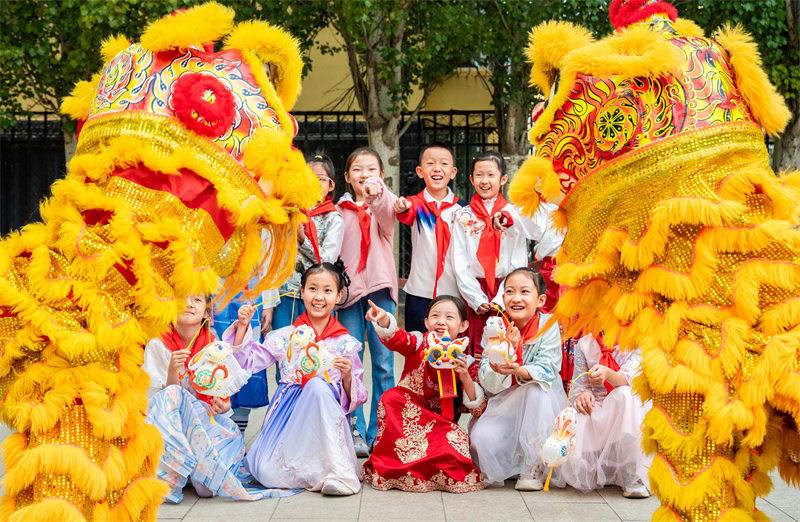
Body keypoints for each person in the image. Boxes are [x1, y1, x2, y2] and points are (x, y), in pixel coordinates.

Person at [225, 261, 368, 496]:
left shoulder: (345, 343)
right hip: (287, 417)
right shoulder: (286, 336)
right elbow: (246, 363)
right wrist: (242, 326)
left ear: (339, 295)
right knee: (265, 473)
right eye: (312, 289)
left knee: (316, 385)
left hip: (325, 418)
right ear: (301, 292)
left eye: (327, 290)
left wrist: (346, 377)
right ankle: (314, 474)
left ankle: (338, 474)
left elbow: (358, 395)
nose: (319, 297)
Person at [142, 294, 291, 502]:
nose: (188, 304)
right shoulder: (158, 344)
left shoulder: (214, 346)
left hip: (204, 424)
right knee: (173, 392)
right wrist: (172, 371)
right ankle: (175, 468)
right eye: (182, 298)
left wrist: (222, 405)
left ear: (207, 312)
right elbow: (161, 402)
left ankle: (192, 470)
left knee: (206, 489)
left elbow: (223, 398)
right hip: (170, 428)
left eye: (197, 300)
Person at [362, 296, 486, 493]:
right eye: (435, 316)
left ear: (463, 325)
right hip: (407, 415)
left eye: (449, 317)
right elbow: (396, 337)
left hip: (439, 422)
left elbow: (478, 407)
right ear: (427, 322)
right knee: (391, 398)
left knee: (455, 441)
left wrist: (464, 376)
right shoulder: (418, 342)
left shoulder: (466, 360)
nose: (441, 321)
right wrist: (384, 319)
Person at [451, 150, 563, 358]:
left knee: (506, 350)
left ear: (503, 179)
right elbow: (459, 261)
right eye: (479, 175)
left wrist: (503, 296)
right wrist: (476, 298)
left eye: (491, 175)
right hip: (474, 290)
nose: (485, 181)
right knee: (475, 351)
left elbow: (518, 261)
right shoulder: (462, 216)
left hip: (509, 292)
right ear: (471, 179)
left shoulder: (515, 214)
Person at [469, 268, 567, 491]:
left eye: (524, 291)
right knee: (480, 441)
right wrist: (505, 355)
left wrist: (518, 366)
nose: (516, 298)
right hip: (505, 403)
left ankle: (532, 465)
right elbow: (487, 381)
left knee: (535, 390)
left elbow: (548, 369)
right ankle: (514, 463)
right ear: (503, 298)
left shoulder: (548, 325)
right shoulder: (494, 328)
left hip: (542, 403)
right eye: (510, 292)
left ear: (540, 299)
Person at [335, 147, 399, 456]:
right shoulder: (336, 212)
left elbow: (387, 214)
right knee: (351, 363)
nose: (364, 175)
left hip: (379, 292)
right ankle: (356, 430)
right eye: (357, 169)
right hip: (348, 296)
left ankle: (382, 430)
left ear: (382, 175)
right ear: (347, 177)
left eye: (371, 169)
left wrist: (378, 193)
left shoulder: (385, 206)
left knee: (384, 365)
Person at [560, 334, 652, 497]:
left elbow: (629, 380)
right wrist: (584, 394)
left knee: (624, 394)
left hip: (632, 408)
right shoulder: (585, 343)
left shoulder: (640, 340)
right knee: (577, 412)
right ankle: (597, 467)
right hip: (600, 406)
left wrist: (607, 373)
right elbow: (579, 385)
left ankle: (632, 470)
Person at [394, 142, 468, 334]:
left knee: (452, 351)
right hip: (420, 292)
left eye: (444, 164)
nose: (437, 168)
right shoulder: (414, 204)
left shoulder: (464, 210)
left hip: (454, 291)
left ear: (453, 172)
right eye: (430, 163)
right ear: (420, 171)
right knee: (418, 350)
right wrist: (401, 206)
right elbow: (404, 212)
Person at [271, 152, 344, 331]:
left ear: (331, 185)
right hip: (284, 292)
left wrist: (302, 238)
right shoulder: (288, 211)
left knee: (316, 349)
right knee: (284, 347)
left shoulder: (334, 219)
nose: (313, 183)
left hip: (315, 298)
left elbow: (327, 260)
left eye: (320, 179)